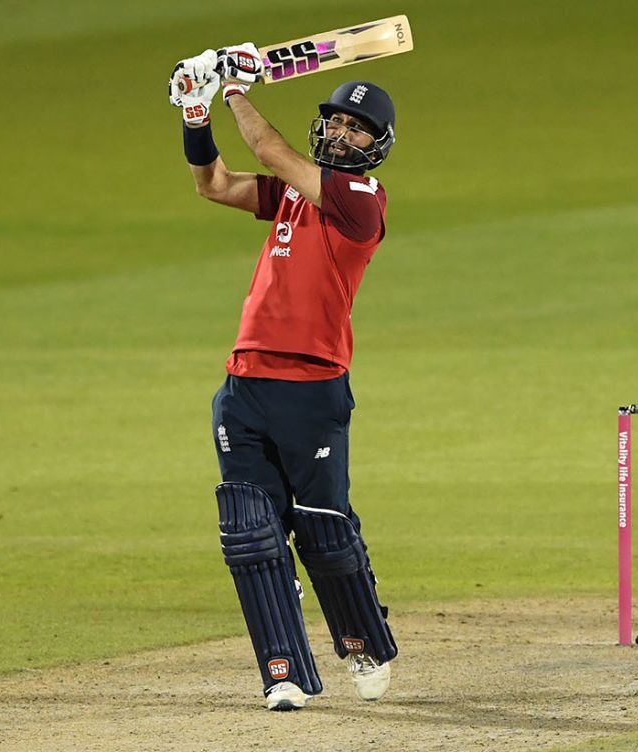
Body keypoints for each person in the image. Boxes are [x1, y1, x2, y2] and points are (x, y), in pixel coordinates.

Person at [169, 46, 400, 710]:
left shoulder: (361, 200)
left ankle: (364, 643)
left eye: (357, 129)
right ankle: (284, 672)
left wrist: (234, 88)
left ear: (378, 146)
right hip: (245, 384)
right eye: (336, 121)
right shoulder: (295, 196)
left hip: (312, 388)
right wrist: (195, 113)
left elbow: (269, 151)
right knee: (251, 531)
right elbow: (214, 184)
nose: (342, 133)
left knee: (323, 529)